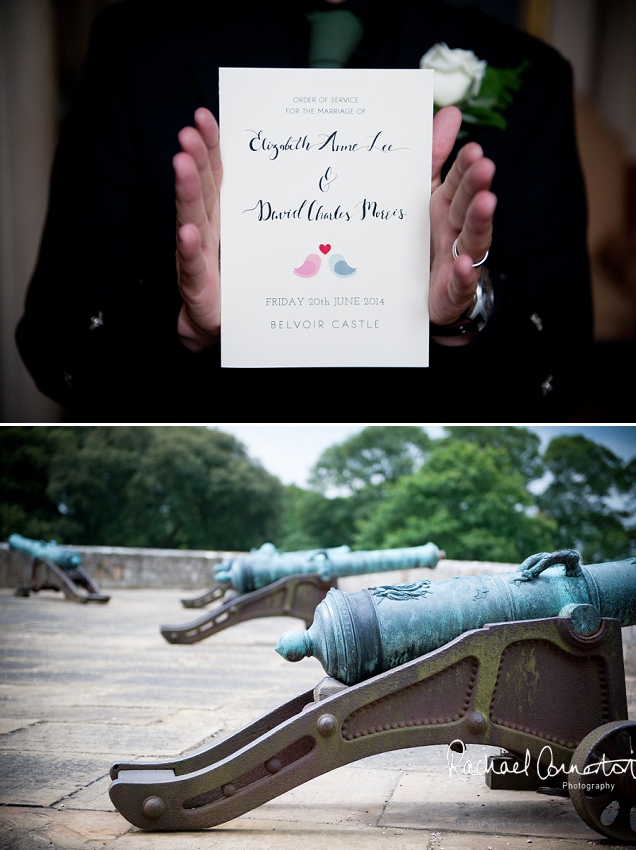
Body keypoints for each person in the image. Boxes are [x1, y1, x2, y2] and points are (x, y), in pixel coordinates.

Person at [16, 0, 592, 421]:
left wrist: (468, 311)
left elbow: (564, 371)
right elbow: (55, 344)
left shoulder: (530, 74)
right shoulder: (136, 48)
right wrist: (183, 329)